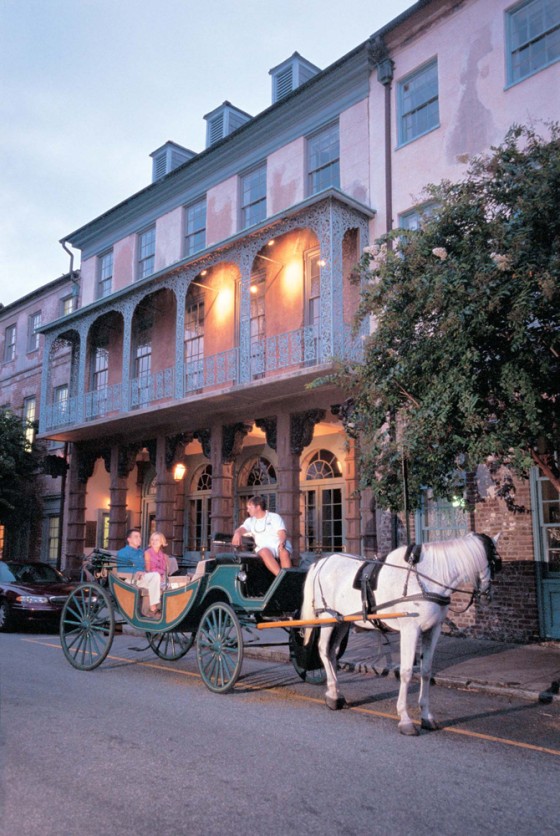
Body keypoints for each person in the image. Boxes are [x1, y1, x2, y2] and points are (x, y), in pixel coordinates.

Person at [232, 495, 292, 576]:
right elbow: (241, 529)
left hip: (278, 545)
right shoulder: (250, 521)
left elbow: (282, 532)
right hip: (264, 549)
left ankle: (288, 577)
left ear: (258, 507)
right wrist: (237, 533)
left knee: (283, 552)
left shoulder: (274, 517)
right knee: (264, 551)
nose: (247, 510)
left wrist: (282, 542)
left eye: (250, 507)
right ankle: (281, 579)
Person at [116, 528, 161, 618]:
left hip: (143, 578)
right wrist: (136, 572)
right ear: (129, 539)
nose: (139, 539)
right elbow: (121, 570)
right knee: (155, 576)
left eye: (140, 537)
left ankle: (151, 610)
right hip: (130, 580)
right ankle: (153, 608)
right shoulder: (123, 552)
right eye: (136, 537)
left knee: (165, 583)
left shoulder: (142, 552)